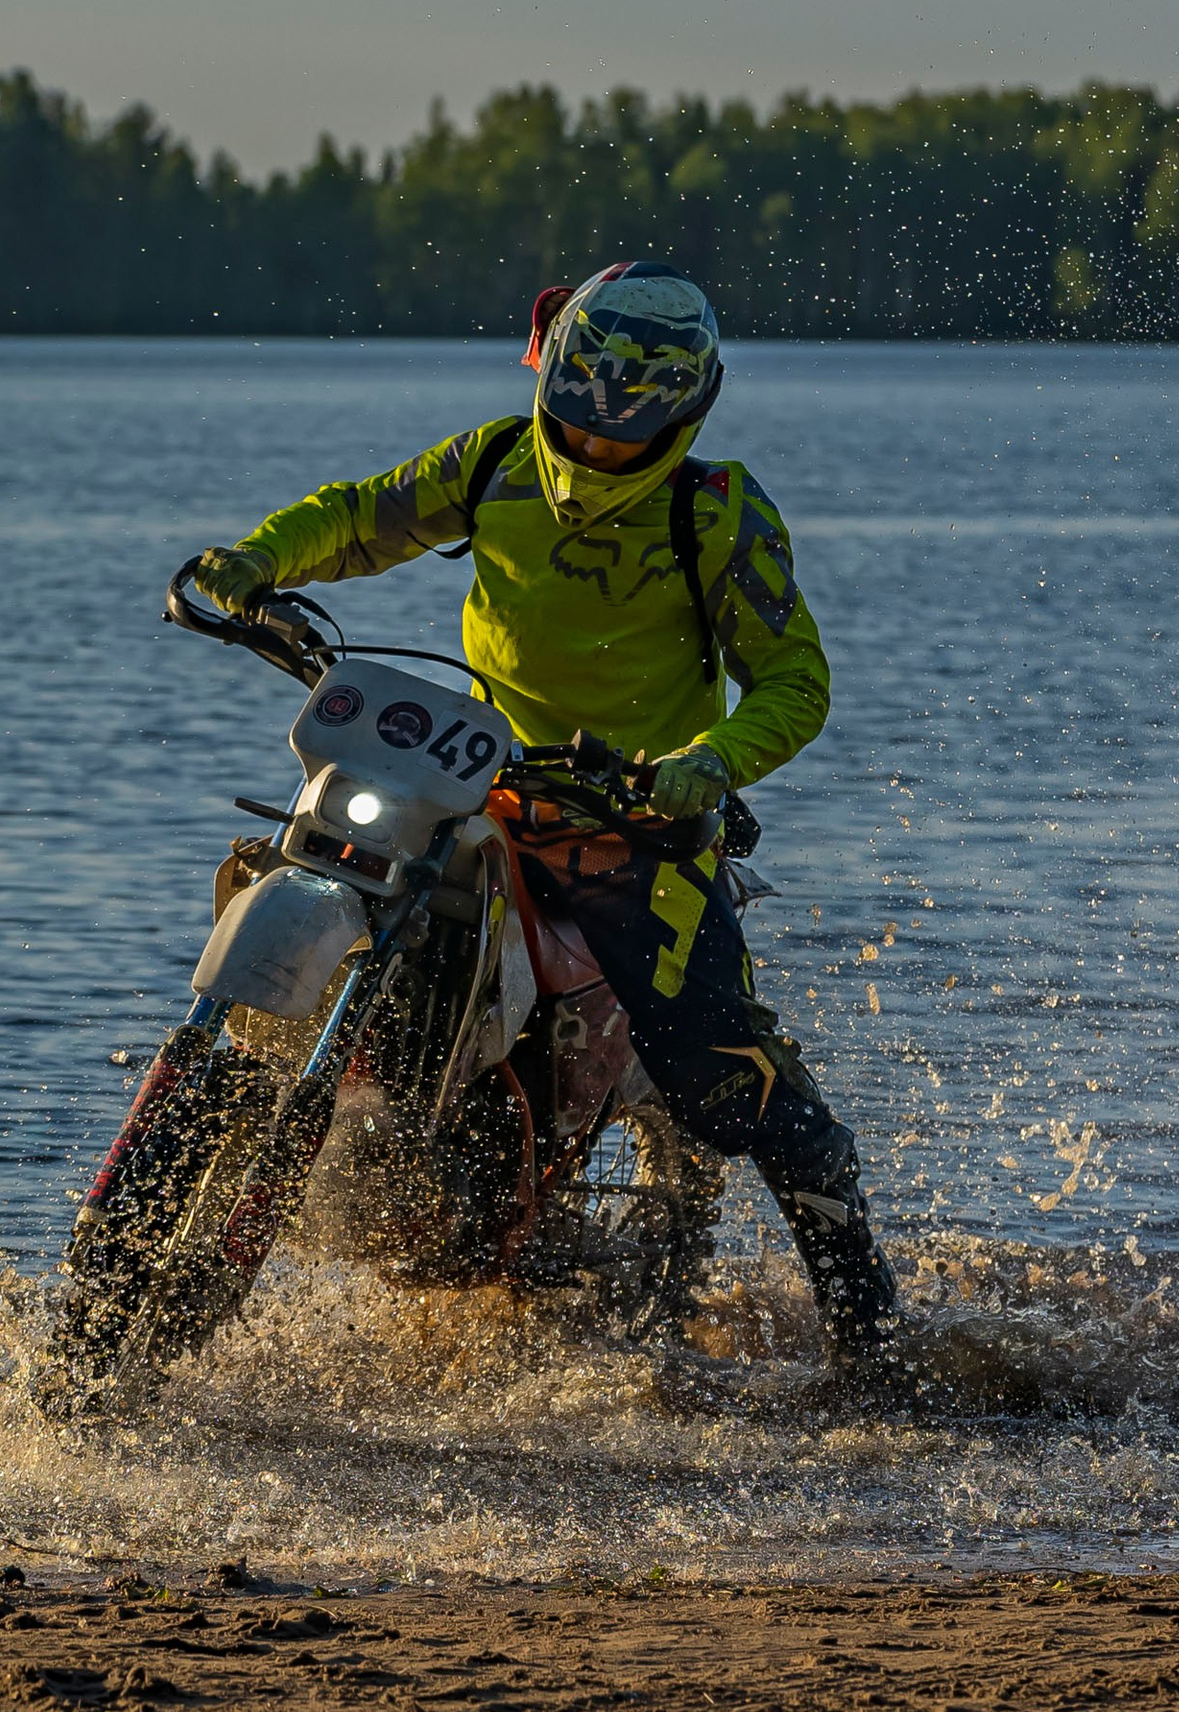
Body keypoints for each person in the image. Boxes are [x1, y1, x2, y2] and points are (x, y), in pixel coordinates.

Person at [186, 262, 899, 1360]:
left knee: (729, 1085)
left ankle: (875, 1345)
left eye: (638, 400)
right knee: (312, 860)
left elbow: (794, 682)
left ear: (687, 401)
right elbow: (362, 519)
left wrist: (708, 762)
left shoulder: (715, 513)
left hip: (640, 832)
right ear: (555, 366)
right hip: (474, 790)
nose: (605, 425)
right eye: (592, 386)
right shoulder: (489, 463)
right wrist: (257, 561)